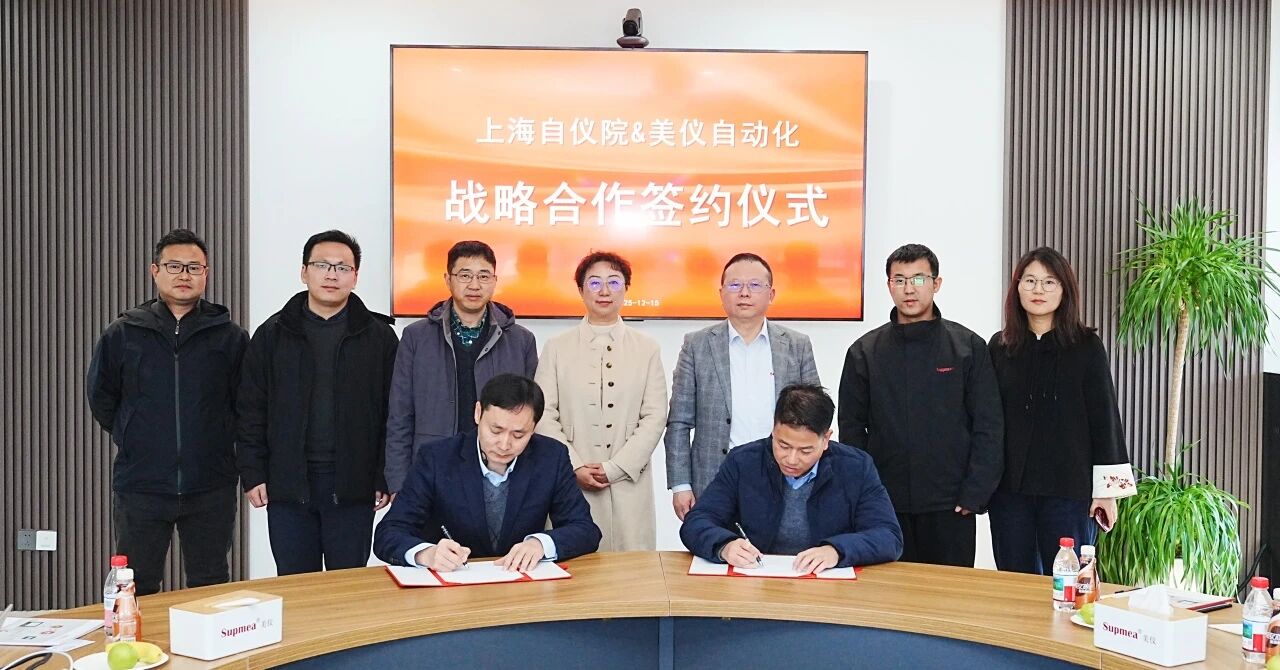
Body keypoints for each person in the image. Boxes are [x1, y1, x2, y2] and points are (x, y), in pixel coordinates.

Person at [87, 229, 248, 595]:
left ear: (206, 274)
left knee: (209, 583)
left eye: (194, 267)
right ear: (155, 271)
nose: (184, 275)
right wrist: (133, 433)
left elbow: (245, 403)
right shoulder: (123, 333)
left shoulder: (230, 337)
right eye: (174, 266)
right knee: (137, 584)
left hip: (211, 483)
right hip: (141, 482)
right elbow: (102, 397)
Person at [237, 230, 399, 575]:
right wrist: (253, 472)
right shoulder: (272, 334)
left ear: (355, 277)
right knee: (296, 586)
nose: (331, 275)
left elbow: (393, 412)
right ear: (304, 272)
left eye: (342, 268)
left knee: (347, 587)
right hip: (288, 484)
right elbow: (250, 408)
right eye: (322, 265)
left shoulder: (379, 337)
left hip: (353, 487)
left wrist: (383, 475)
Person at [837, 243, 1003, 567]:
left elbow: (989, 424)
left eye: (918, 279)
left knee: (948, 591)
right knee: (889, 591)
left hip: (951, 503)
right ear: (889, 286)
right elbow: (852, 429)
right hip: (886, 502)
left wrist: (975, 492)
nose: (908, 289)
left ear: (936, 284)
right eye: (899, 280)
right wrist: (865, 493)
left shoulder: (967, 347)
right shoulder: (865, 352)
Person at [988, 247, 1136, 574]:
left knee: (1068, 583)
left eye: (1049, 282)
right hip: (1010, 492)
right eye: (1030, 281)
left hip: (1069, 491)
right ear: (1017, 288)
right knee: (1013, 581)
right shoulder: (1000, 346)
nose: (1038, 290)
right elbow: (987, 420)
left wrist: (1107, 493)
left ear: (1064, 290)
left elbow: (1105, 419)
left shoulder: (1086, 346)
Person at [374, 374, 602, 570]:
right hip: (451, 586)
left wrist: (541, 544)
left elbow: (585, 529)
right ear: (478, 413)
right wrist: (426, 554)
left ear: (534, 427)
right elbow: (389, 532)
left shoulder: (551, 457)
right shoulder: (437, 458)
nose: (504, 444)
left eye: (519, 435)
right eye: (496, 430)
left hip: (519, 585)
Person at [665, 252, 821, 521]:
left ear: (771, 294)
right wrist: (681, 485)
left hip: (783, 473)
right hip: (715, 478)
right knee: (717, 545)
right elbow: (679, 422)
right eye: (735, 285)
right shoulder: (696, 345)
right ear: (721, 293)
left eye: (755, 285)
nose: (744, 293)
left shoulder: (797, 345)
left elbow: (815, 417)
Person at [680, 384, 902, 571]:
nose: (791, 459)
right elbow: (696, 522)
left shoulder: (855, 467)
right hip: (757, 581)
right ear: (774, 429)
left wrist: (836, 550)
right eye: (783, 445)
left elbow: (888, 536)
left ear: (826, 439)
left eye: (805, 450)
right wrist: (725, 546)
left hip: (826, 587)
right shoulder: (743, 462)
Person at [534, 252, 667, 551]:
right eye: (594, 283)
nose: (604, 291)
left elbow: (655, 415)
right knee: (574, 563)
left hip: (629, 482)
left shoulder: (647, 348)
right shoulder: (556, 348)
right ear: (581, 290)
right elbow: (543, 414)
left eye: (614, 282)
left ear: (626, 289)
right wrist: (574, 465)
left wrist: (616, 468)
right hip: (569, 482)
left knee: (631, 566)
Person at [384, 240, 538, 495]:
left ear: (495, 280)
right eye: (465, 275)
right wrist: (399, 483)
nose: (474, 285)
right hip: (431, 470)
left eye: (483, 276)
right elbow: (400, 414)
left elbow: (530, 417)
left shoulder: (521, 341)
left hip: (500, 470)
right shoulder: (416, 337)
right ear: (448, 279)